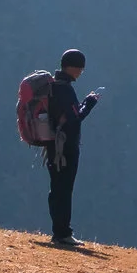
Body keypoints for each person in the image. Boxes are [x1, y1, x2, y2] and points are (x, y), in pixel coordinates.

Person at [44, 48, 102, 249]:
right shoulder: (65, 89)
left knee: (56, 188)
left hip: (52, 144)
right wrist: (90, 103)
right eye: (80, 68)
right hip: (65, 147)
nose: (81, 72)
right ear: (73, 67)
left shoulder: (53, 86)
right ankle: (63, 233)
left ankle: (58, 231)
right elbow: (74, 118)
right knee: (64, 189)